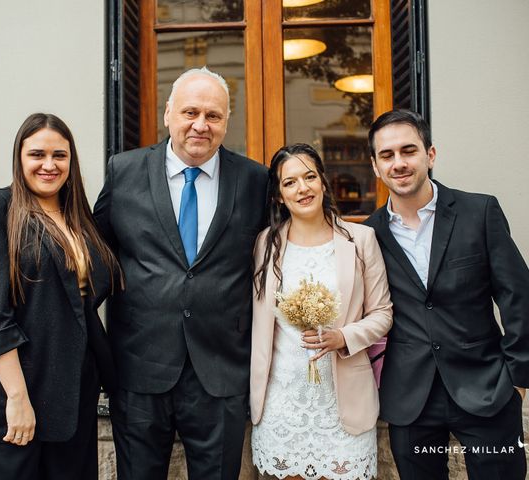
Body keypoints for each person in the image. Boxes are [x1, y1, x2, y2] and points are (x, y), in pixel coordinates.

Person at [93, 67, 268, 479]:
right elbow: (95, 255)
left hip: (221, 371)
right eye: (190, 112)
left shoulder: (255, 180)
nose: (201, 125)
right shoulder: (125, 171)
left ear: (227, 121)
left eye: (214, 115)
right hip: (139, 368)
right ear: (168, 113)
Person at [0, 113, 120, 479]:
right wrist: (18, 398)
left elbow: (82, 304)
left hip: (71, 396)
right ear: (19, 158)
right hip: (7, 398)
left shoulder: (80, 221)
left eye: (60, 155)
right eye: (37, 154)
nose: (49, 165)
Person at [364, 109, 529, 479]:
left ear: (430, 155)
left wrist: (518, 380)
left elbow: (518, 297)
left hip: (487, 389)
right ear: (376, 167)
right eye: (387, 155)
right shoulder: (367, 234)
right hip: (410, 399)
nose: (399, 163)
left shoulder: (479, 211)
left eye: (409, 151)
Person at [250, 143, 393, 480]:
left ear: (323, 182)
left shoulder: (361, 239)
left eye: (310, 176)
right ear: (278, 195)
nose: (303, 188)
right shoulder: (265, 244)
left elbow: (383, 312)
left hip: (343, 404)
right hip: (282, 402)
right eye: (290, 182)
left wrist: (343, 336)